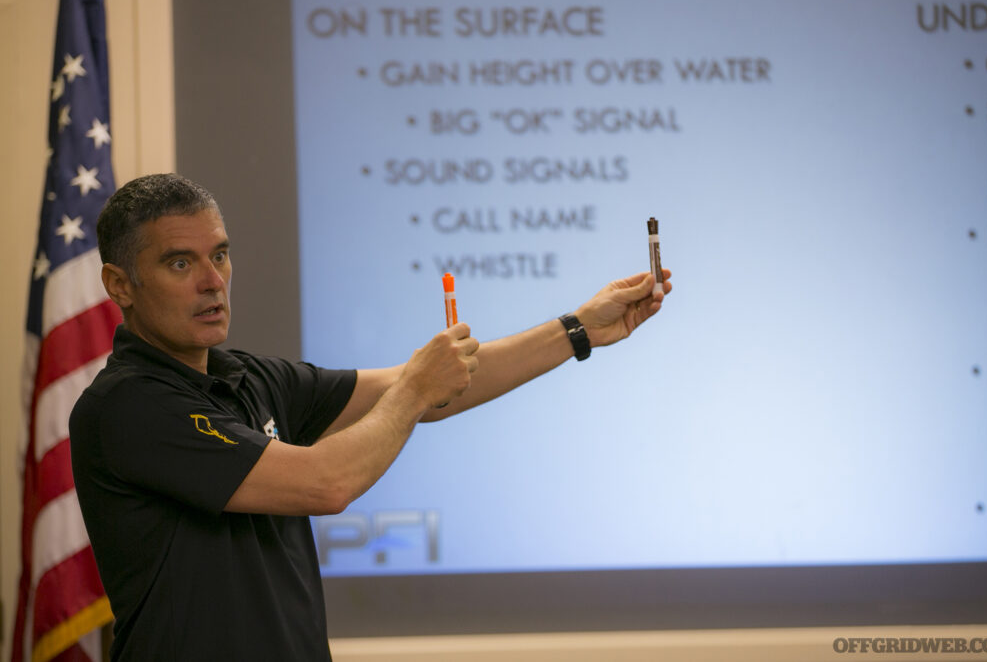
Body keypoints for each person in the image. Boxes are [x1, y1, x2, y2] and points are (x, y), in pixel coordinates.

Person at [70, 173, 671, 660]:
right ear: (120, 284)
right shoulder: (128, 405)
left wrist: (577, 329)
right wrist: (414, 391)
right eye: (180, 264)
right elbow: (325, 482)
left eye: (220, 255)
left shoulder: (249, 377)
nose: (213, 282)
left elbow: (441, 389)